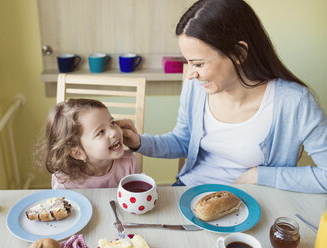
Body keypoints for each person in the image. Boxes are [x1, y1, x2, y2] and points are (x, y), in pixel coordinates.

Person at [117, 0, 327, 193]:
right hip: (190, 190)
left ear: (239, 54)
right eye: (187, 62)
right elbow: (182, 142)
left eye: (198, 64)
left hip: (254, 201)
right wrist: (139, 142)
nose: (190, 73)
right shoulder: (197, 87)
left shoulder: (294, 102)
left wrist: (257, 176)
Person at [36, 98, 138, 189]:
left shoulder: (129, 163)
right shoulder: (64, 180)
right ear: (78, 153)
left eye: (112, 123)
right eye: (100, 132)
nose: (114, 132)